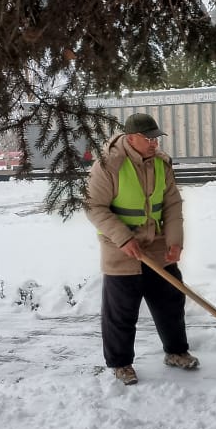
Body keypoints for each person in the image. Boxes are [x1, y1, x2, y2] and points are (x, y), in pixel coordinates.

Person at [85, 113, 199, 385]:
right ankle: (121, 363)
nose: (153, 144)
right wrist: (123, 238)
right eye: (148, 139)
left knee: (171, 301)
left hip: (156, 243)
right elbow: (94, 207)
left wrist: (175, 241)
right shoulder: (109, 165)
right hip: (119, 247)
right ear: (130, 138)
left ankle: (175, 352)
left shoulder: (161, 163)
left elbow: (172, 204)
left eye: (155, 138)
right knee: (121, 310)